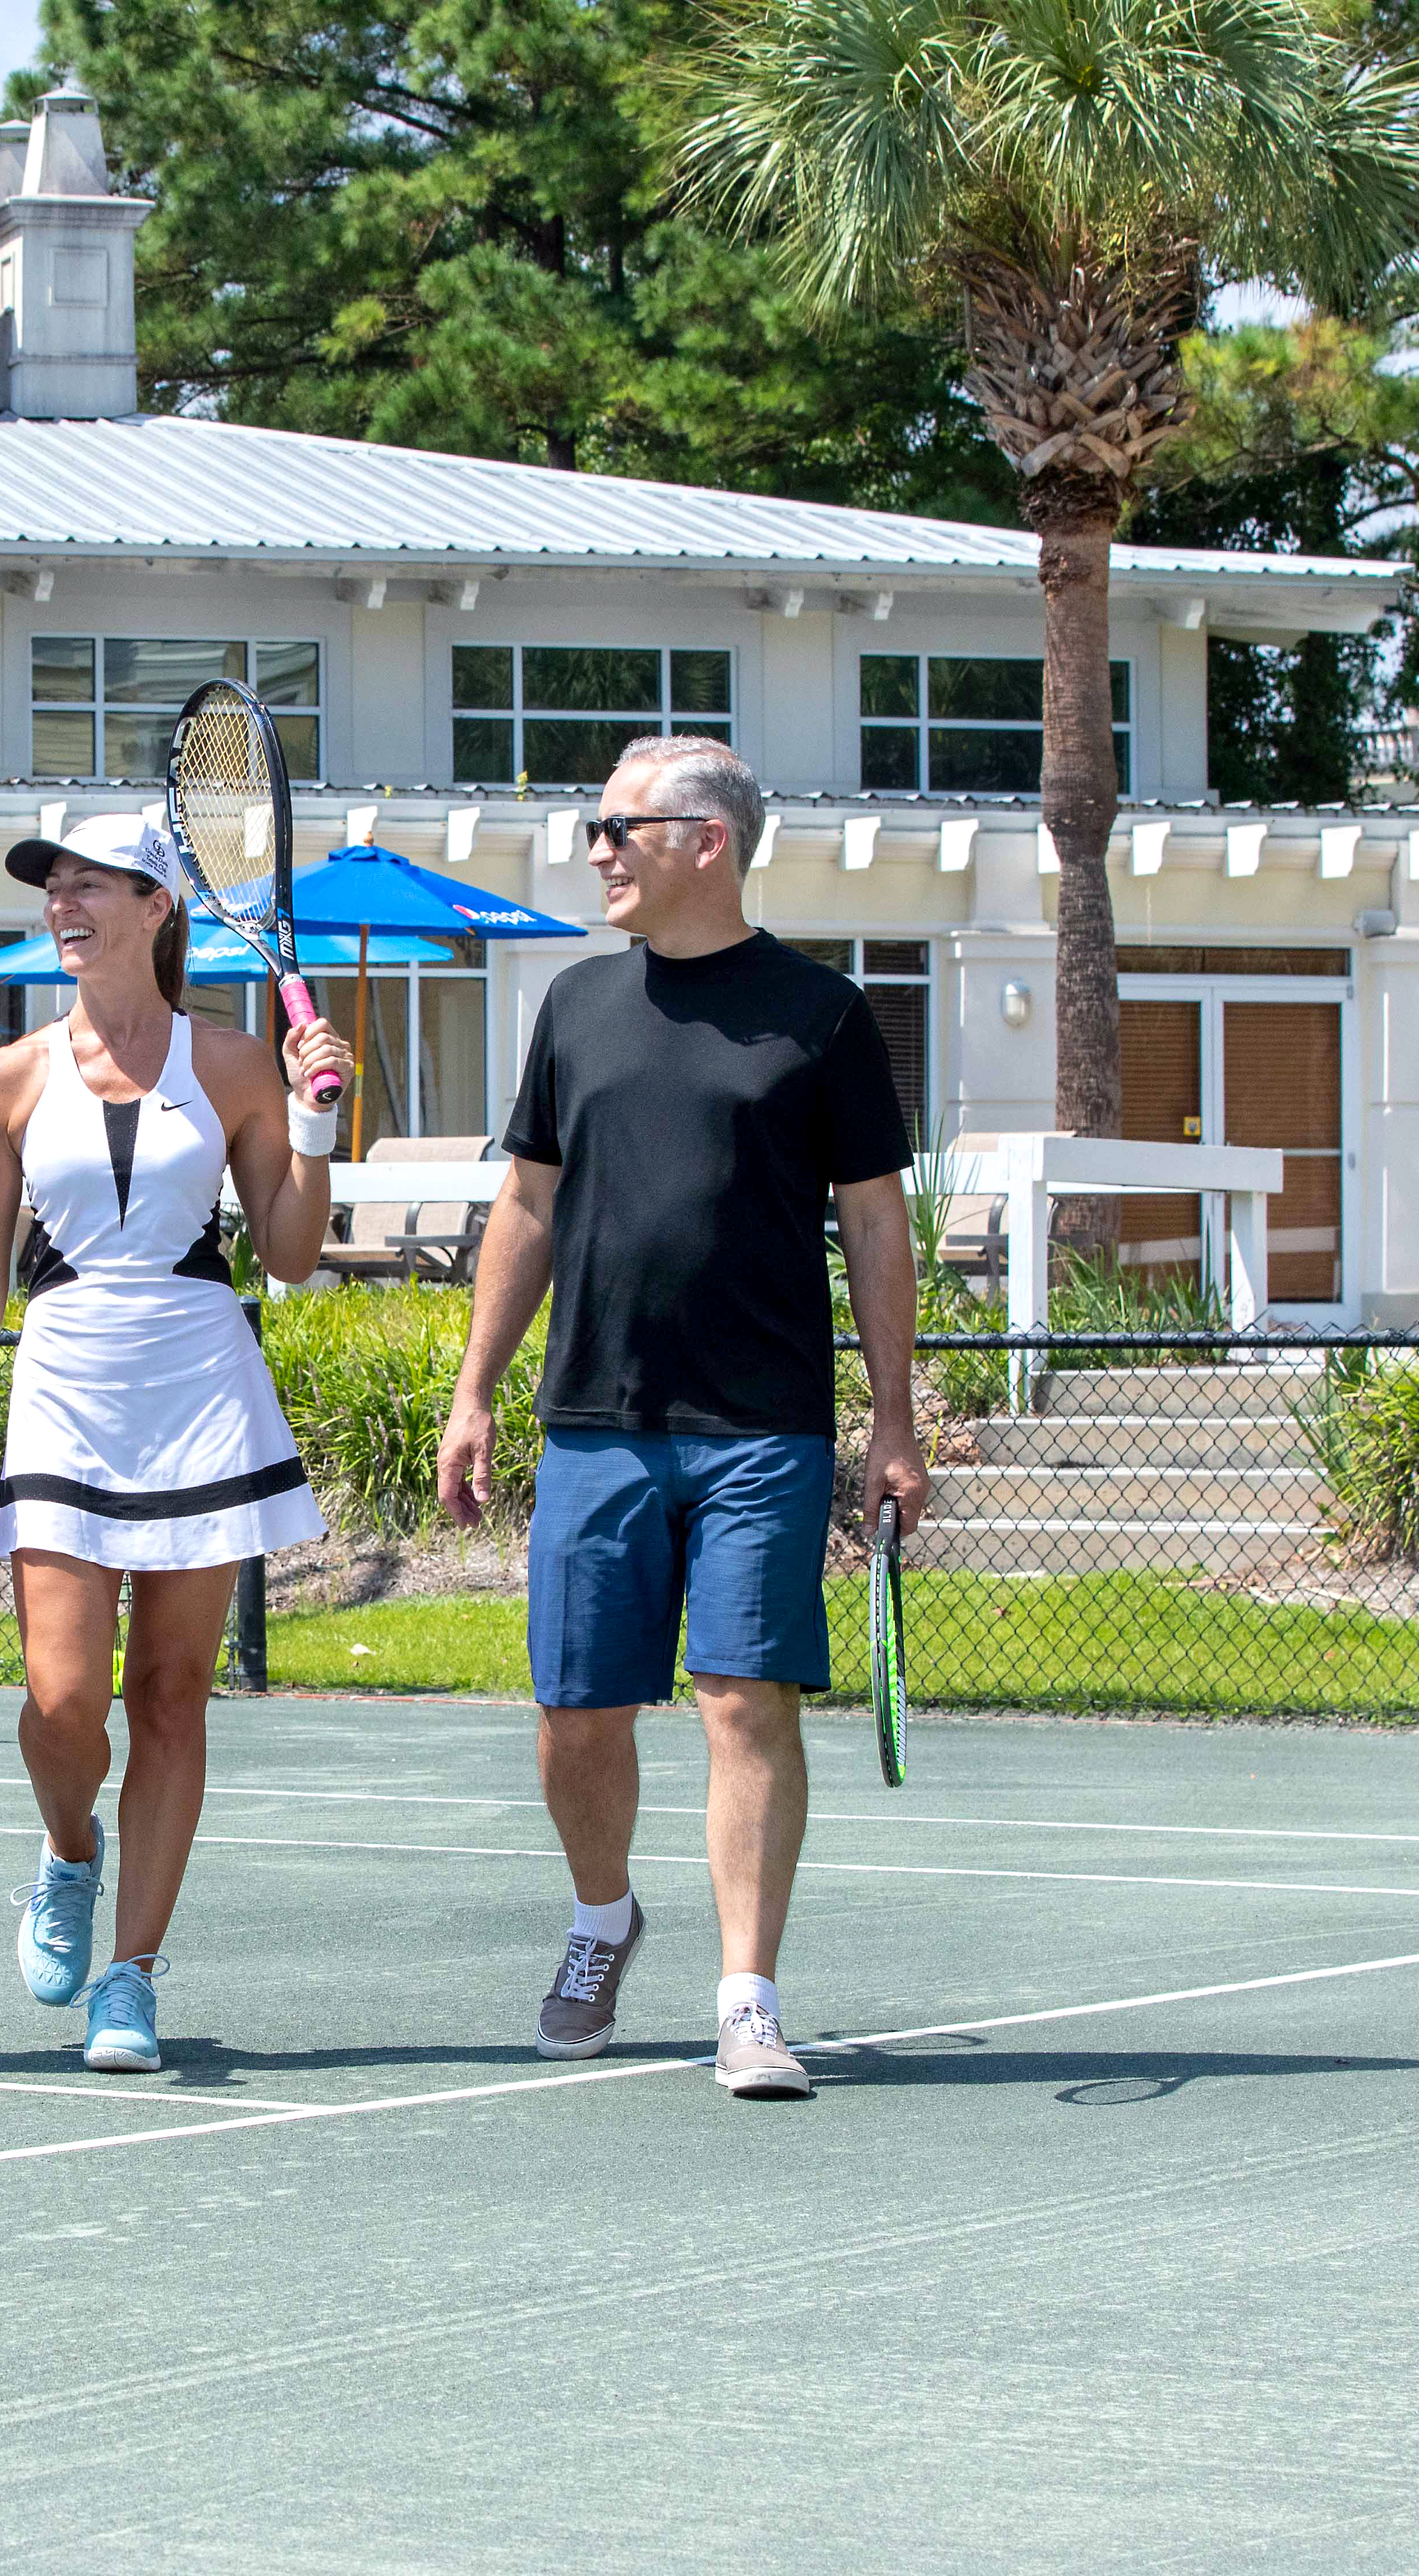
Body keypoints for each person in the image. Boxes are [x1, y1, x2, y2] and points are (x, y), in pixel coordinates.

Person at [437, 735, 927, 2102]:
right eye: (591, 824)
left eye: (618, 824)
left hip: (765, 1426)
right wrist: (475, 1390)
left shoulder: (823, 1016)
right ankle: (604, 1922)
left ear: (706, 839)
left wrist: (895, 1418)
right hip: (595, 1421)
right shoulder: (577, 1006)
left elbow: (876, 1221)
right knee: (577, 1714)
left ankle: (748, 1998)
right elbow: (525, 1206)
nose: (596, 847)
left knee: (739, 1698)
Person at [0, 814, 355, 2073]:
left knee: (171, 1694)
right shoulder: (4, 1078)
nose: (62, 900)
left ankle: (134, 1973)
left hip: (202, 1390)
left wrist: (318, 1115)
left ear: (158, 906)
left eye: (88, 882)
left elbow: (287, 1250)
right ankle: (69, 1851)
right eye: (51, 885)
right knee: (64, 1701)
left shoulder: (232, 1065)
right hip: (64, 1391)